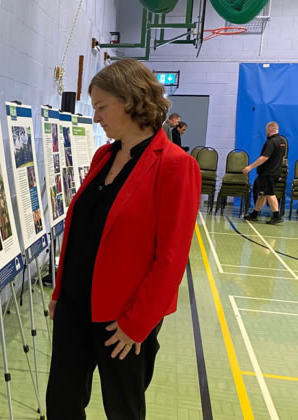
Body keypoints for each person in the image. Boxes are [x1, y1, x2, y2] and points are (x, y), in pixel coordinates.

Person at [45, 59, 201, 420]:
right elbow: (81, 230)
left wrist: (137, 324)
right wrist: (59, 292)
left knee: (123, 410)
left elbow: (171, 258)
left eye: (101, 107)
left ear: (131, 101)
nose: (96, 117)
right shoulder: (104, 156)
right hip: (74, 307)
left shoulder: (175, 166)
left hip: (123, 319)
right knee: (62, 405)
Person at [243, 121, 287, 224]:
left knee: (269, 193)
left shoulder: (271, 142)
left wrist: (250, 167)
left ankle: (276, 216)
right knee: (262, 194)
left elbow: (264, 157)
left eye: (266, 129)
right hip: (275, 172)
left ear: (271, 129)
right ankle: (254, 214)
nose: (265, 132)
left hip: (268, 172)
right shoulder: (282, 142)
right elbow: (282, 158)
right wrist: (280, 172)